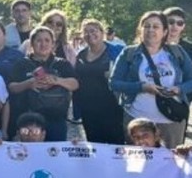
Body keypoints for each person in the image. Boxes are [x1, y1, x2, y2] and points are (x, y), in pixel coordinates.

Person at [110, 11, 192, 149]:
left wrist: (179, 89)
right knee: (137, 160)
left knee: (171, 159)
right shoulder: (129, 53)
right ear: (140, 30)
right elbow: (114, 83)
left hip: (170, 120)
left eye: (156, 26)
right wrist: (141, 87)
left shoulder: (176, 52)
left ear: (164, 31)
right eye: (147, 26)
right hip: (137, 119)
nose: (151, 30)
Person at [8, 27, 78, 142]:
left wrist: (56, 80)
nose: (43, 44)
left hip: (56, 119)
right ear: (32, 44)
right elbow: (12, 88)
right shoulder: (21, 64)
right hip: (29, 119)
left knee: (55, 151)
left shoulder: (62, 64)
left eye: (47, 40)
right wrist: (28, 83)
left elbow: (75, 84)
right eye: (39, 40)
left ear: (53, 44)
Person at [74, 19, 125, 144]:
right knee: (94, 145)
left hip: (112, 107)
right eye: (86, 32)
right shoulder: (81, 55)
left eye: (93, 31)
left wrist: (114, 75)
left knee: (115, 145)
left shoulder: (117, 51)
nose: (90, 34)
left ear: (102, 33)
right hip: (88, 108)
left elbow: (128, 74)